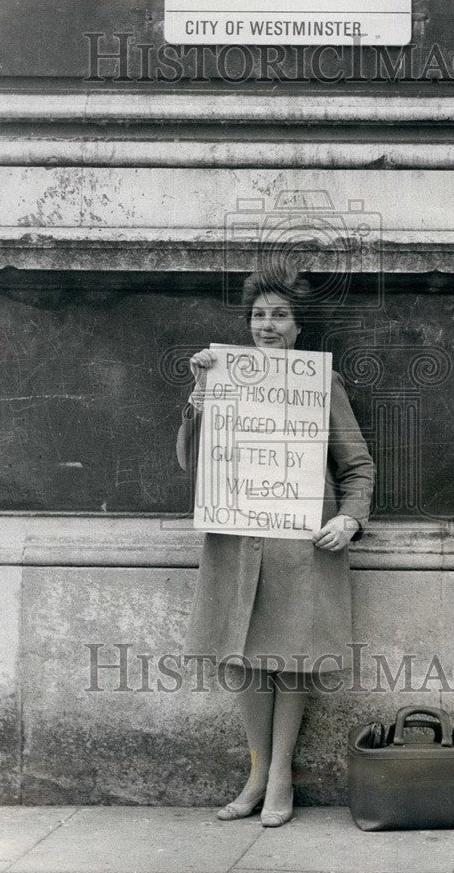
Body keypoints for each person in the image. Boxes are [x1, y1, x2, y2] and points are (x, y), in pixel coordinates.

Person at [176, 266, 374, 827]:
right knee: (243, 660)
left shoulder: (320, 383)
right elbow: (193, 463)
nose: (267, 325)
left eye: (279, 315)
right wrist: (199, 397)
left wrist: (350, 522)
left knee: (292, 661)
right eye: (259, 315)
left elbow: (357, 466)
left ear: (298, 325)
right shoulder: (223, 377)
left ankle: (282, 775)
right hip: (239, 537)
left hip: (302, 542)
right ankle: (257, 772)